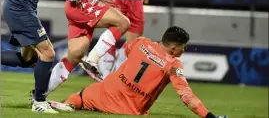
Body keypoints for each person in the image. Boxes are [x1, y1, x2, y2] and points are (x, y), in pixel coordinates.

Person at [49, 26, 228, 118]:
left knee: (79, 96)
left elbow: (127, 52)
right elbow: (186, 95)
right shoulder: (174, 65)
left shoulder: (141, 42)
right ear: (173, 48)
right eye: (183, 47)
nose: (184, 50)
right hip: (129, 109)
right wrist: (209, 116)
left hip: (103, 94)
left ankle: (68, 105)